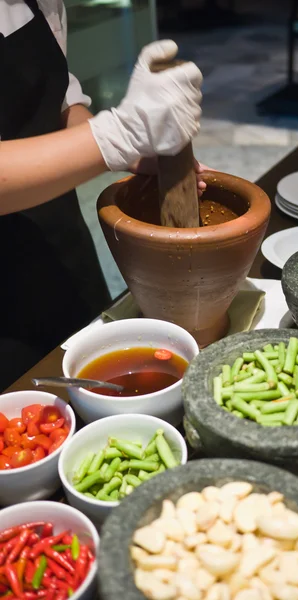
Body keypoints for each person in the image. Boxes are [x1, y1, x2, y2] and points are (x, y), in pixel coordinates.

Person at [0, 0, 203, 390]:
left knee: (95, 371)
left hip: (58, 244)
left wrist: (132, 149)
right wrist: (117, 136)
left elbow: (57, 101)